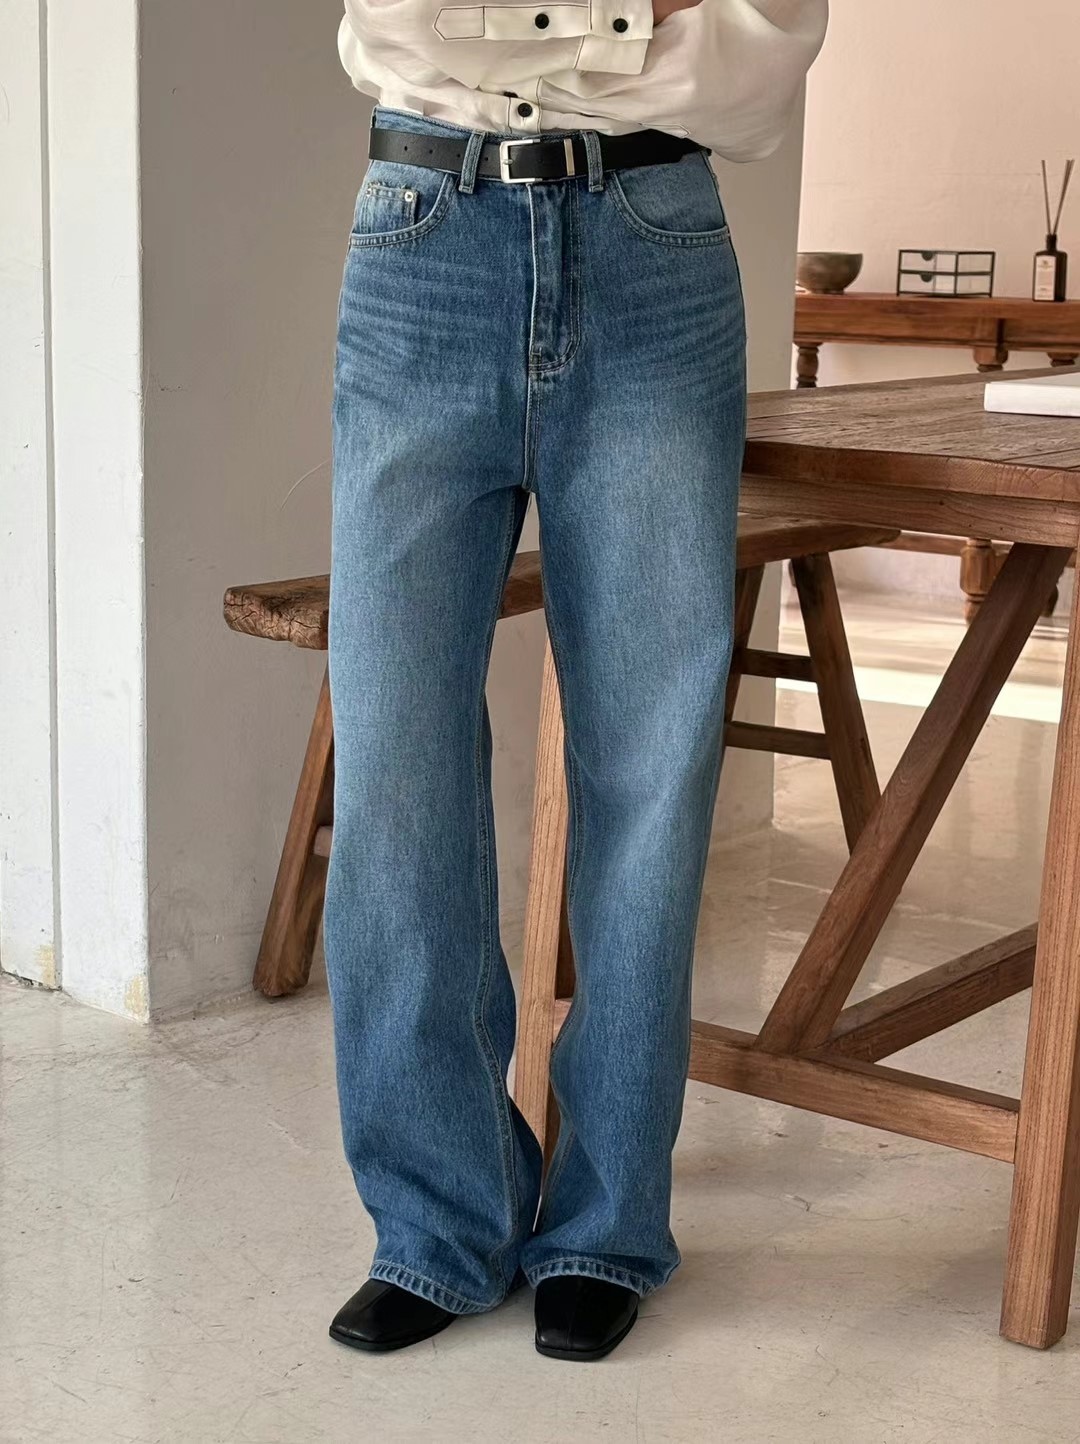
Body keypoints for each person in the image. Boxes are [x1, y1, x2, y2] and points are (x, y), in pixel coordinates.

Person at [324, 0, 828, 1361]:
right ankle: (438, 1222)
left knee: (652, 767)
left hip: (656, 250)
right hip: (425, 239)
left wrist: (514, 26)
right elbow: (406, 15)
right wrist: (631, 20)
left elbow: (763, 61)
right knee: (394, 760)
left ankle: (608, 1221)